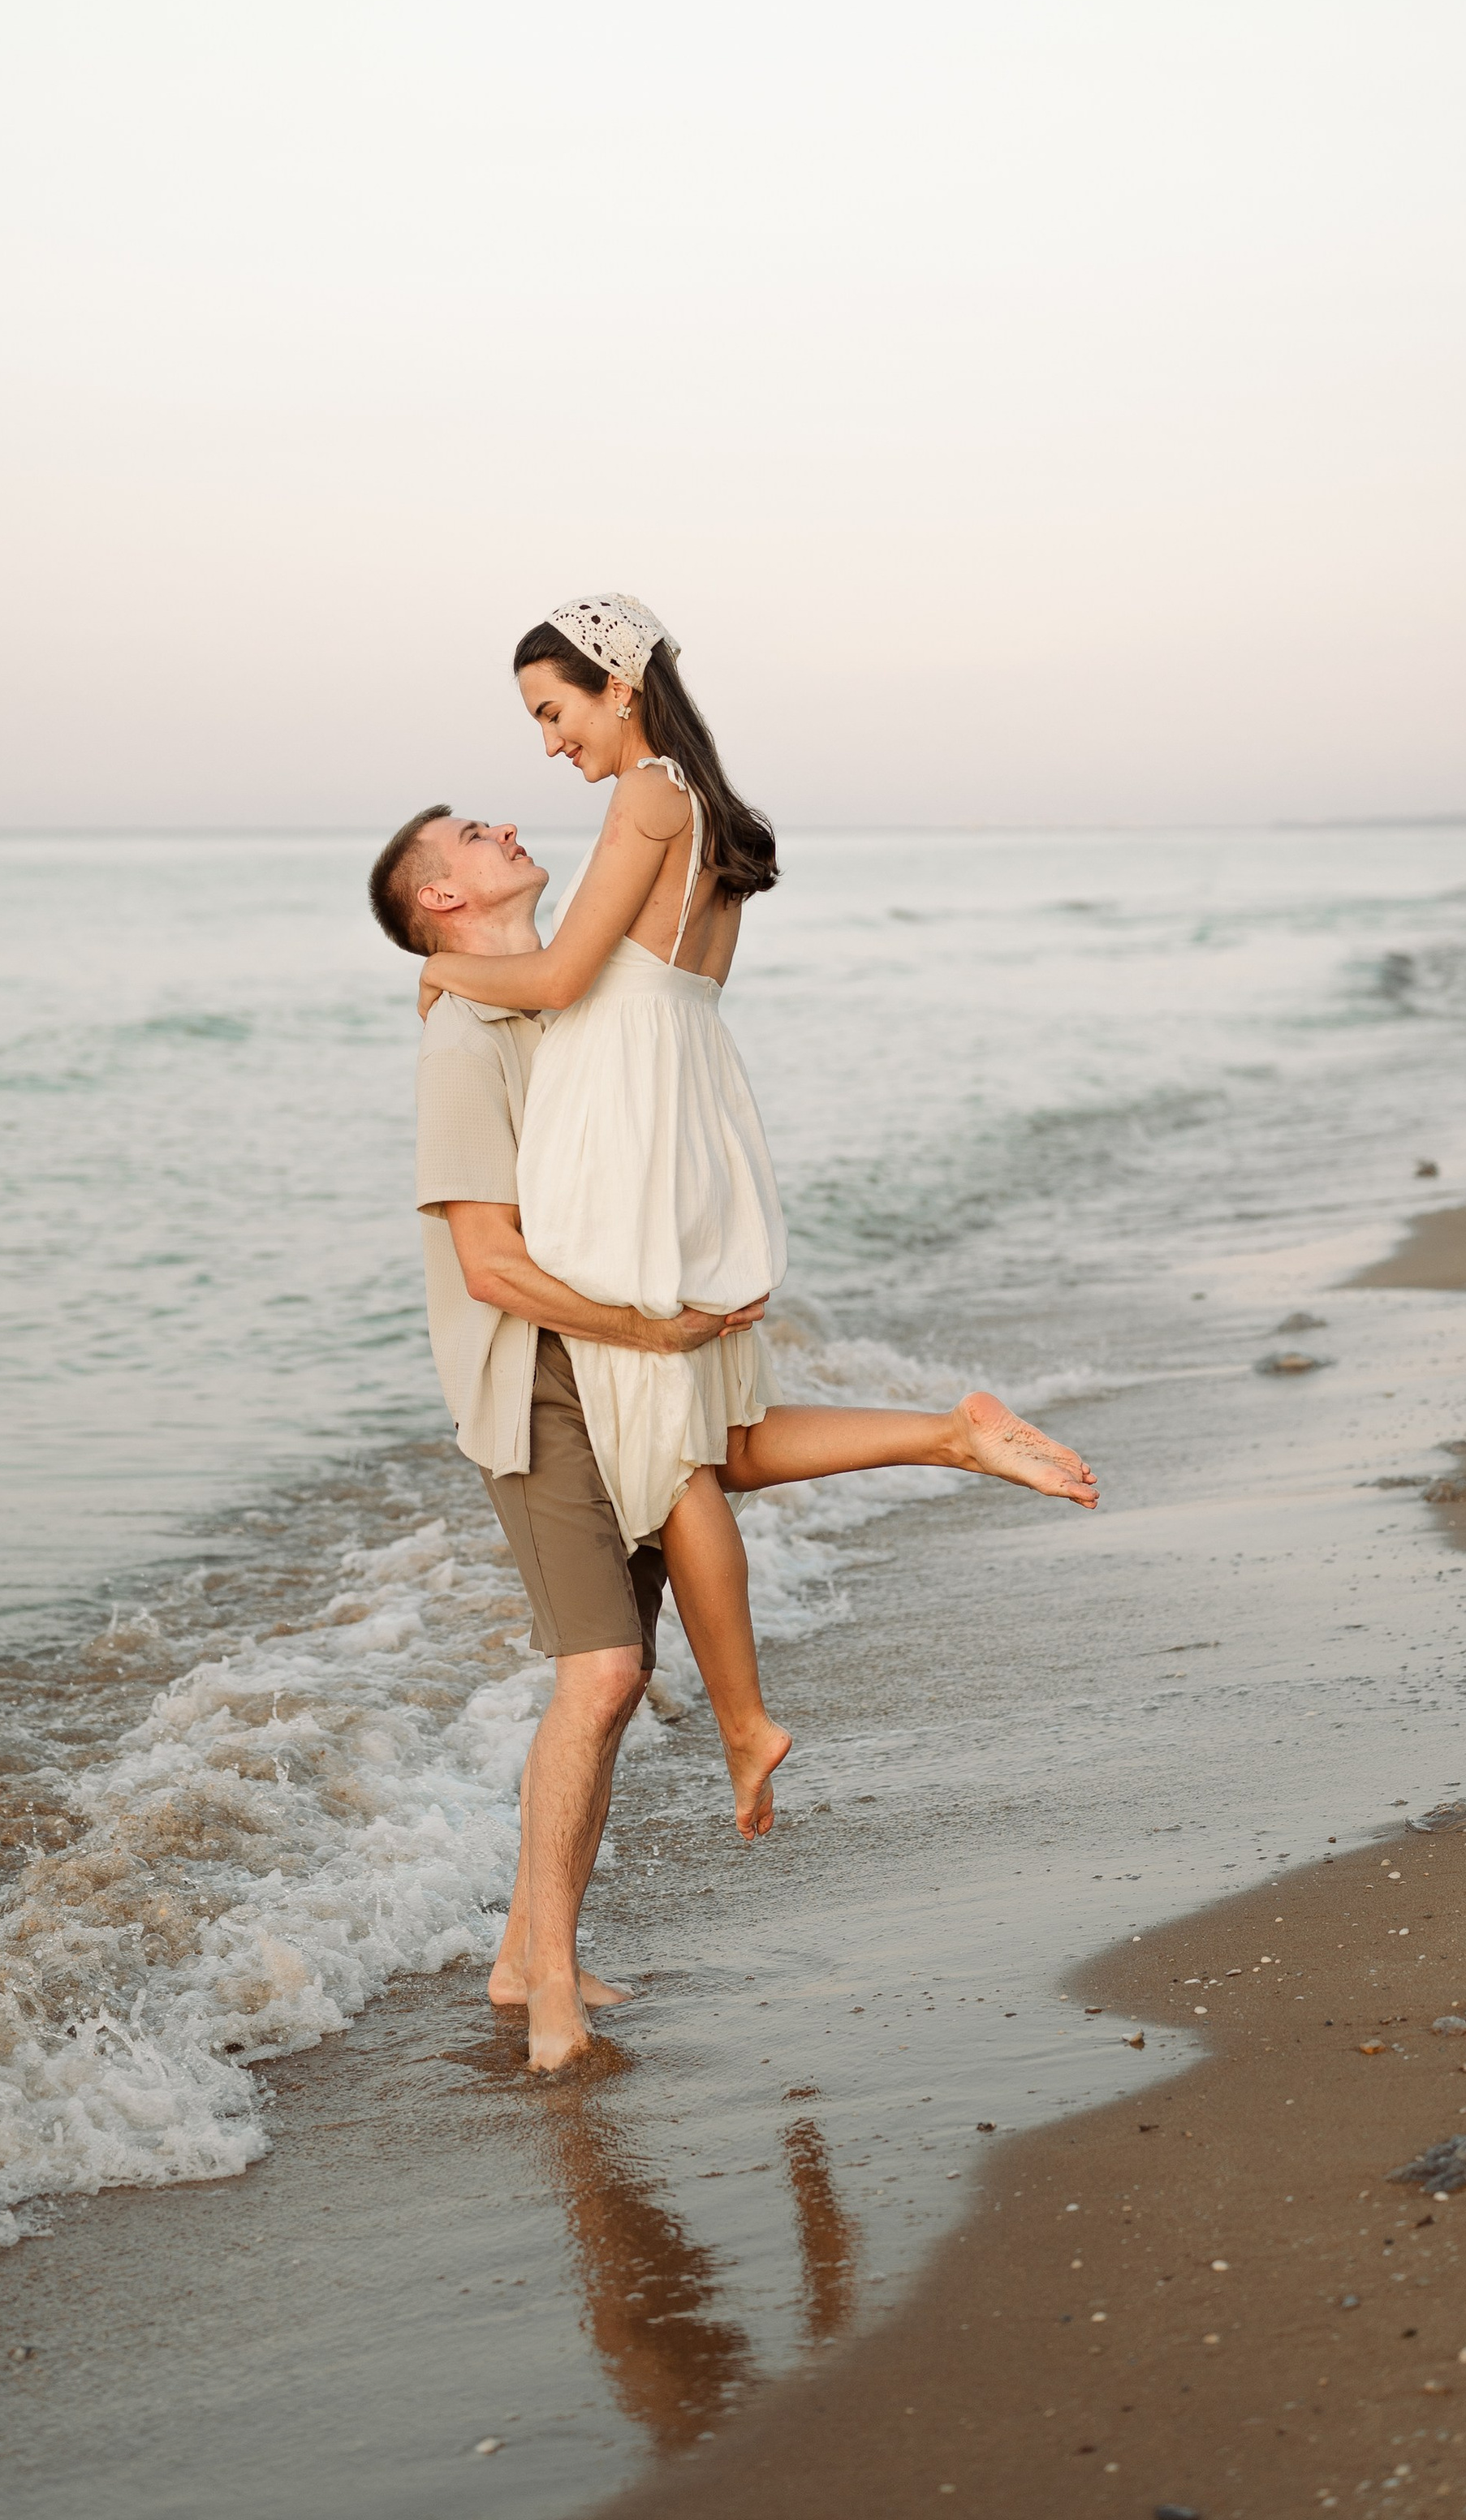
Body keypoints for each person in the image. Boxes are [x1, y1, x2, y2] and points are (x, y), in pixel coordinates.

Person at [369, 787, 1096, 2073]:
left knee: (625, 1656)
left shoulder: (552, 998)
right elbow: (490, 1265)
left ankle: (528, 1957)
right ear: (440, 898)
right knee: (599, 1676)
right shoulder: (463, 1047)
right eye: (475, 837)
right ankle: (547, 2005)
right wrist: (652, 1331)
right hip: (541, 1373)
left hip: (623, 1352)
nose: (507, 824)